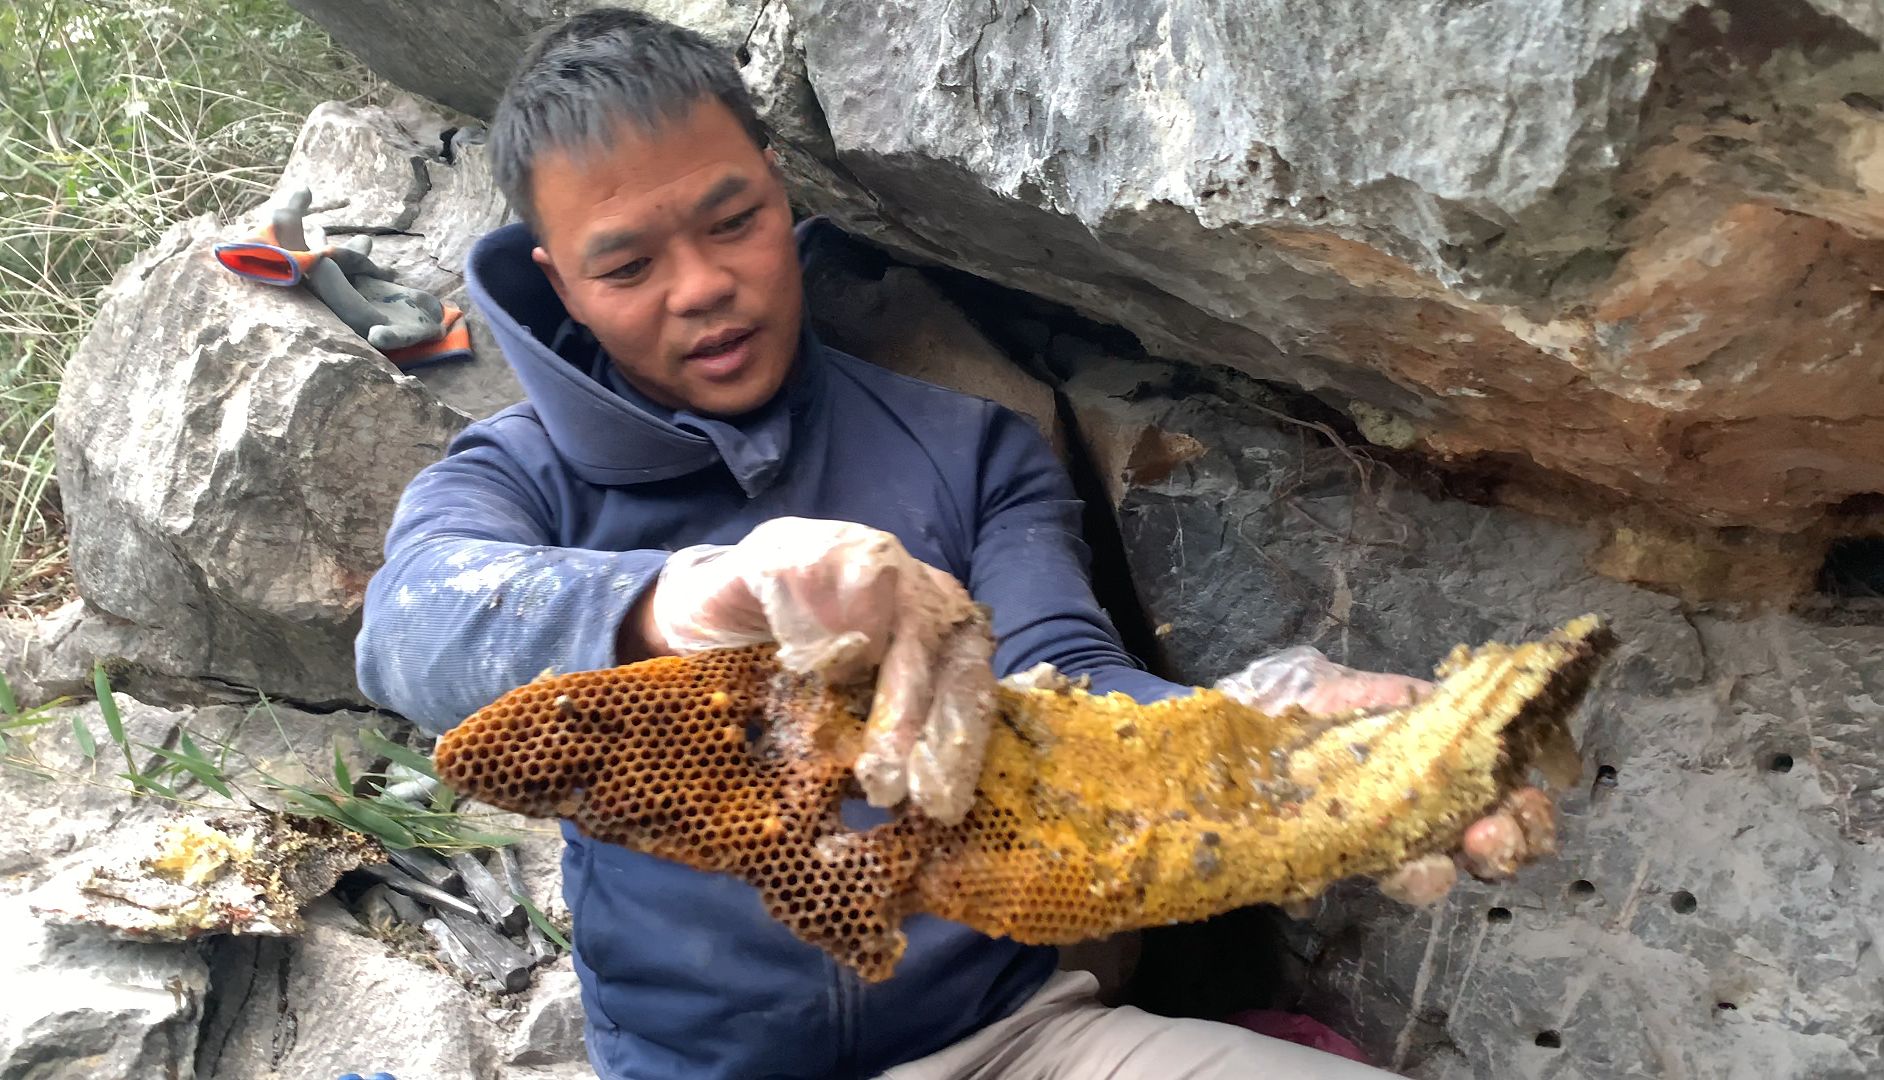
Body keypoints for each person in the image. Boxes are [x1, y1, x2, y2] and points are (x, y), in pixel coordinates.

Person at [354, 11, 1556, 1079]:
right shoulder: (513, 479)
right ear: (559, 282)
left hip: (1016, 1039)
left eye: (734, 221)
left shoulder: (971, 449)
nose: (703, 287)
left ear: (781, 195)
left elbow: (1063, 681)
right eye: (627, 264)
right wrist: (692, 597)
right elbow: (414, 625)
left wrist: (1261, 736)